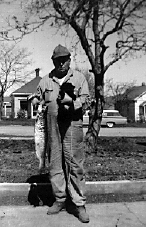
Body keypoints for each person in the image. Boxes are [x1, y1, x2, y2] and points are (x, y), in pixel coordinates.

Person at [31, 44, 91, 223]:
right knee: (55, 164)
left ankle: (79, 204)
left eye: (64, 59)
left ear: (69, 60)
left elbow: (87, 101)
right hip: (51, 127)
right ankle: (60, 200)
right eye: (58, 60)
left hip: (73, 125)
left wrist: (71, 101)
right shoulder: (46, 80)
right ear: (53, 61)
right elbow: (37, 96)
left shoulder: (79, 78)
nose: (61, 63)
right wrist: (34, 100)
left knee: (75, 165)